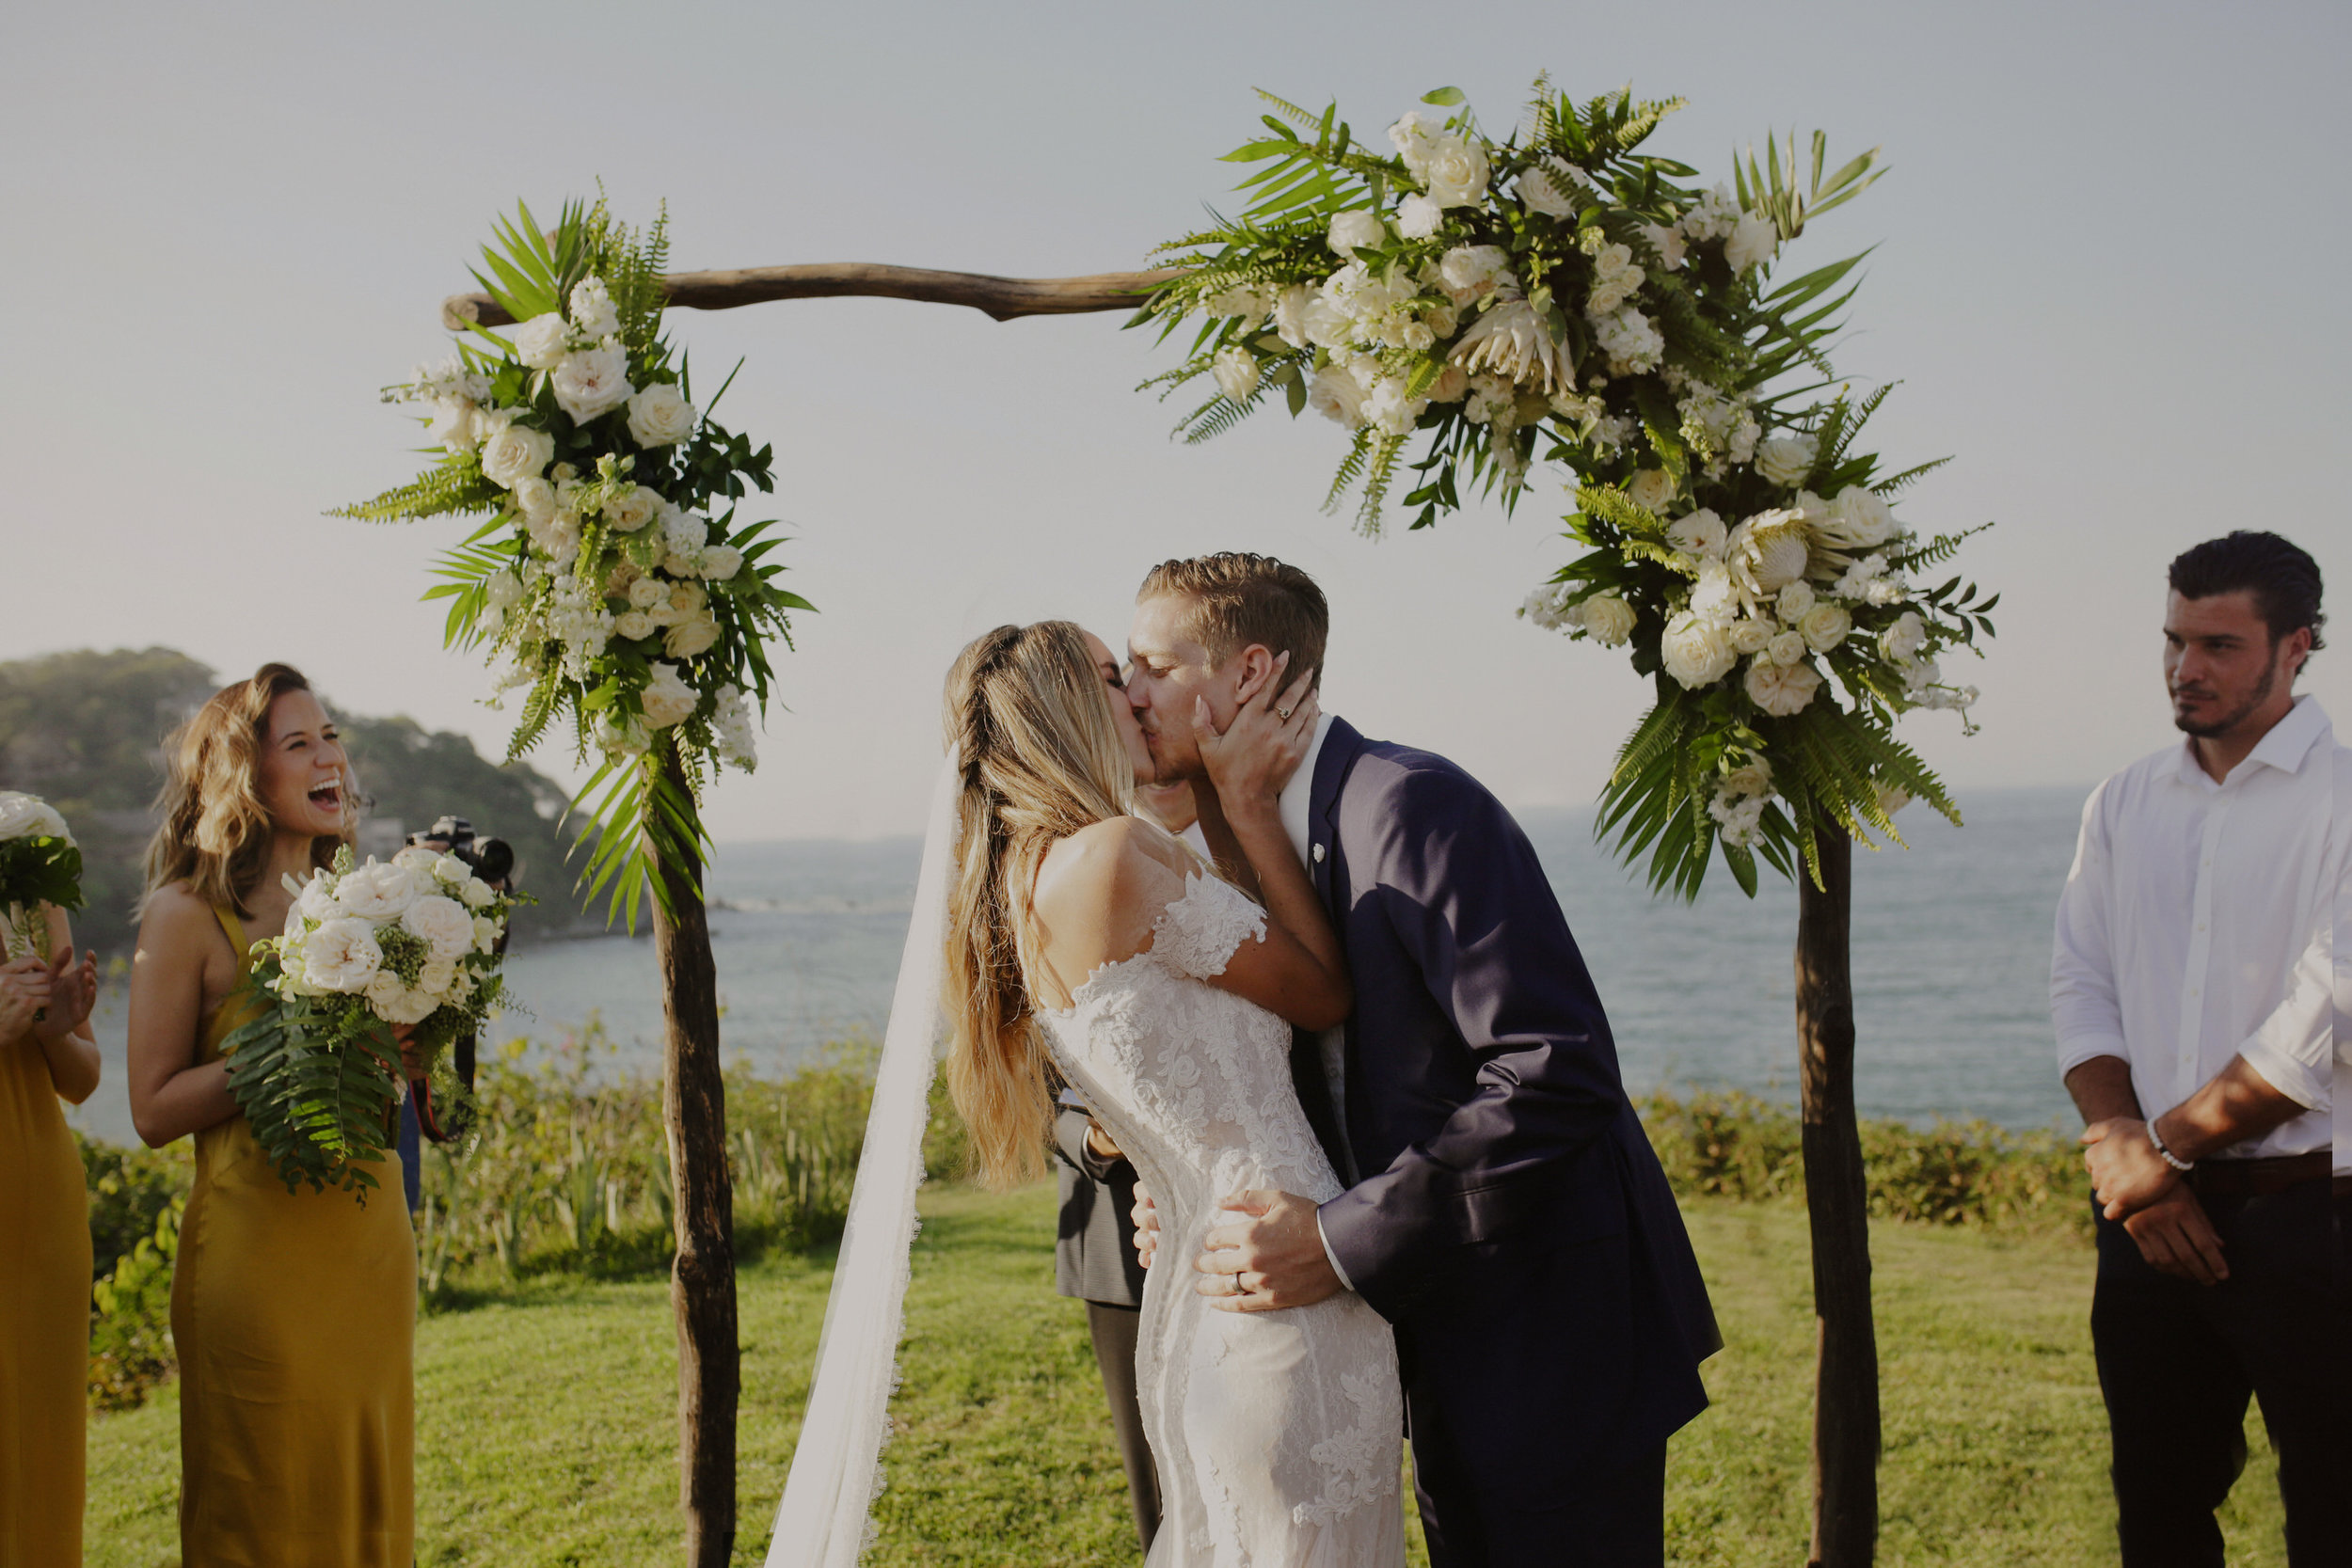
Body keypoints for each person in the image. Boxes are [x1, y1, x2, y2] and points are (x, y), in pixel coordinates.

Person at [1124, 553, 1720, 1568]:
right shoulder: (1248, 830)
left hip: (1545, 1330)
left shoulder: (1407, 804)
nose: (1129, 693)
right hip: (1431, 1325)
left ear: (1249, 673)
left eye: (1152, 663)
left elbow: (1553, 1069)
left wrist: (1340, 1237)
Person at [943, 619, 1408, 1564]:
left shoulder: (1017, 882)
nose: (1140, 698)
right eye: (1117, 678)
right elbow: (1323, 989)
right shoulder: (1117, 851)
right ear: (1071, 704)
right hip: (1282, 1275)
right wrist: (1246, 803)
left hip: (1197, 1285)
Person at [2052, 531, 2344, 1567]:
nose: (2185, 668)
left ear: (2296, 645)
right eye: (2174, 640)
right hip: (2146, 1229)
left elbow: (2324, 1023)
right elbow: (2081, 986)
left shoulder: (2344, 802)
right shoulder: (2120, 800)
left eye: (2219, 643)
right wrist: (2128, 1149)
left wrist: (2151, 1153)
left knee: (2335, 1513)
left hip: (2318, 1222)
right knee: (2158, 1513)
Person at [127, 663, 417, 1566]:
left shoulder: (362, 907)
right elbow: (150, 1107)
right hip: (255, 1263)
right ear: (243, 776)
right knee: (261, 1507)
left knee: (364, 1501)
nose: (329, 756)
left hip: (368, 1244)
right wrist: (287, 1035)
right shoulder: (184, 915)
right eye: (300, 743)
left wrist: (405, 1051)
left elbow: (373, 1095)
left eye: (330, 736)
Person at [1, 890, 101, 1567]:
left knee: (38, 1463)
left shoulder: (23, 872)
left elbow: (83, 1078)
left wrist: (54, 1029)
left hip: (37, 1211)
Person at [1049, 1099, 1160, 1552]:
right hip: (1121, 1235)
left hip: (1259, 1205)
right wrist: (1093, 1138)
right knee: (1157, 1471)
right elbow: (1021, 1081)